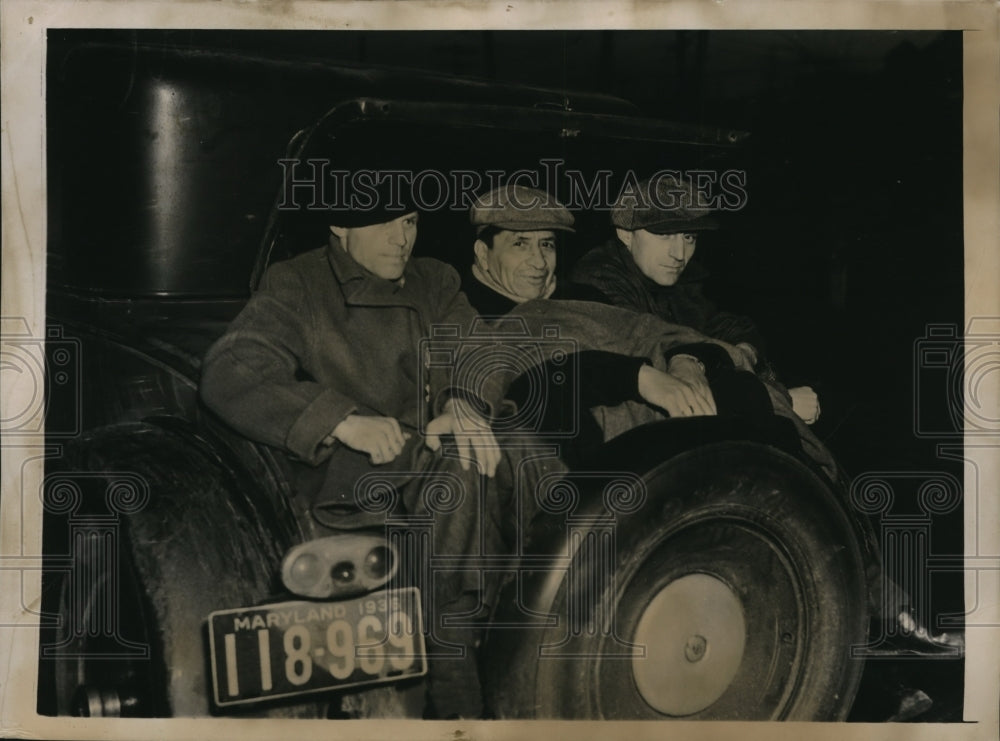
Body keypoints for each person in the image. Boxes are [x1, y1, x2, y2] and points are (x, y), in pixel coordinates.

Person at [199, 184, 560, 719]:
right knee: (457, 474)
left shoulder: (434, 280)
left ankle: (561, 619)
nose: (401, 239)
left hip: (433, 453)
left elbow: (478, 347)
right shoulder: (299, 283)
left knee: (525, 448)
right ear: (340, 227)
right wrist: (340, 419)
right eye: (384, 223)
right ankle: (455, 691)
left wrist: (462, 401)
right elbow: (233, 366)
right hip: (360, 475)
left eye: (410, 221)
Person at [462, 185, 775, 455]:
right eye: (520, 244)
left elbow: (648, 332)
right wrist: (638, 378)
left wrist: (685, 358)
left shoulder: (582, 296)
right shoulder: (465, 313)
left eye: (547, 244)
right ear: (483, 253)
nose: (539, 261)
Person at [571, 175, 821, 425]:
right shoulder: (597, 281)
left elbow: (733, 328)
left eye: (689, 237)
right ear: (626, 234)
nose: (679, 254)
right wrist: (779, 400)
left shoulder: (674, 279)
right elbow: (657, 366)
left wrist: (743, 353)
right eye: (665, 235)